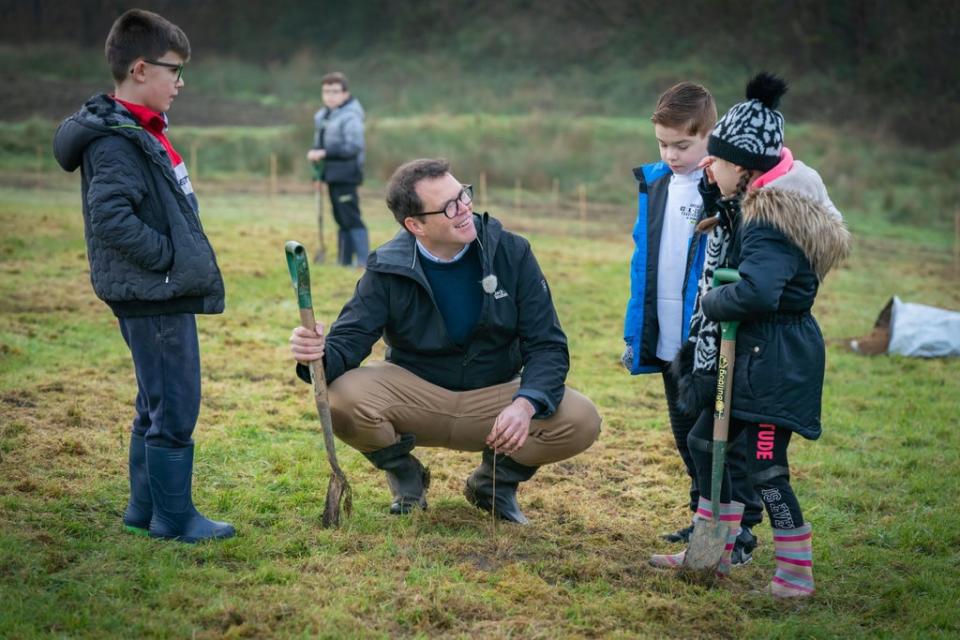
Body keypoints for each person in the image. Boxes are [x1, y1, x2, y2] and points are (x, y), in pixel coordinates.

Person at [289, 158, 602, 524]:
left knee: (581, 418)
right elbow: (349, 342)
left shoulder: (511, 253)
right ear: (415, 225)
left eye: (463, 195)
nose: (465, 209)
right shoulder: (387, 268)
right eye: (449, 206)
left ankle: (494, 484)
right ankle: (407, 476)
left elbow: (547, 344)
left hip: (495, 397)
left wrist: (525, 404)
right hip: (417, 395)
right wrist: (316, 355)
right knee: (340, 398)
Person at [650, 73, 850, 597]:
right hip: (753, 357)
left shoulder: (771, 219)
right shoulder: (747, 207)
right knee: (706, 442)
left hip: (777, 362)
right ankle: (710, 550)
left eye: (714, 160)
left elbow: (759, 292)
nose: (707, 167)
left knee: (766, 469)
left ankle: (794, 575)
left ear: (743, 167)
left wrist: (713, 300)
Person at [53, 9, 234, 543]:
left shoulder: (136, 129)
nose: (180, 83)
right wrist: (169, 259)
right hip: (154, 292)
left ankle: (143, 510)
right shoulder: (116, 140)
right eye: (173, 70)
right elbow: (110, 217)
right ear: (139, 69)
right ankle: (175, 520)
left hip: (156, 290)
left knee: (155, 400)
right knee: (176, 403)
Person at [622, 82, 761, 564]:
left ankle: (739, 532)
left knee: (721, 441)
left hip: (707, 342)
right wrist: (632, 334)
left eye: (682, 144)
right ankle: (703, 520)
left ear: (711, 137)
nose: (671, 153)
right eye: (663, 143)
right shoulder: (655, 183)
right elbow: (644, 263)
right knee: (686, 438)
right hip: (665, 339)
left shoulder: (722, 189)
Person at [306, 71, 369, 267]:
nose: (330, 96)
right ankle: (343, 262)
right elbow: (319, 145)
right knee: (340, 218)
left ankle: (363, 262)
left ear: (345, 93)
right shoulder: (323, 115)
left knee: (351, 217)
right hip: (331, 175)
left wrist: (324, 153)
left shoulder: (351, 116)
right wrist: (317, 173)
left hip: (347, 174)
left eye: (334, 91)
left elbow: (353, 146)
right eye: (326, 91)